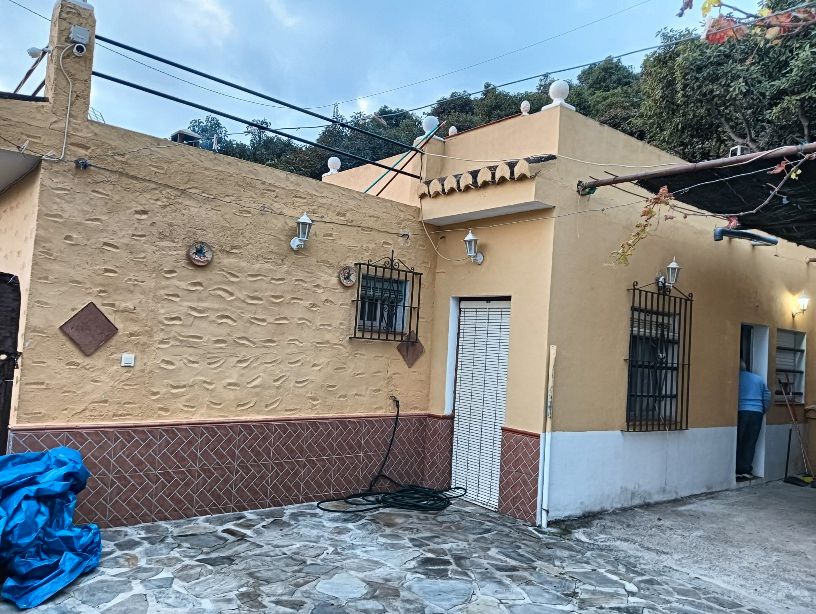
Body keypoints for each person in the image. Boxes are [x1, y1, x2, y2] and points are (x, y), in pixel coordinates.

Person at [736, 360, 772, 480]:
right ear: (745, 367)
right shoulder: (758, 379)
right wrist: (762, 410)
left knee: (738, 441)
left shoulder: (736, 378)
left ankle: (736, 469)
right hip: (757, 413)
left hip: (741, 411)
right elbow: (767, 396)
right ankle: (745, 470)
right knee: (750, 442)